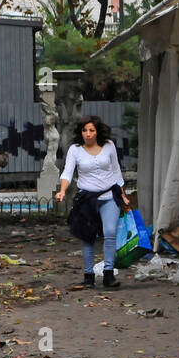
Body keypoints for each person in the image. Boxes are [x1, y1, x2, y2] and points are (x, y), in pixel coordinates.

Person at [56, 115, 131, 289]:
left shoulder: (109, 146)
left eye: (91, 130)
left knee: (110, 232)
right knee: (87, 237)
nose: (88, 134)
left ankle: (108, 274)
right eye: (84, 130)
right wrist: (62, 190)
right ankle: (88, 276)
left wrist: (123, 194)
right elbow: (67, 173)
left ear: (97, 132)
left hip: (109, 196)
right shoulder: (75, 150)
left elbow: (116, 171)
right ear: (80, 132)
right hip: (86, 198)